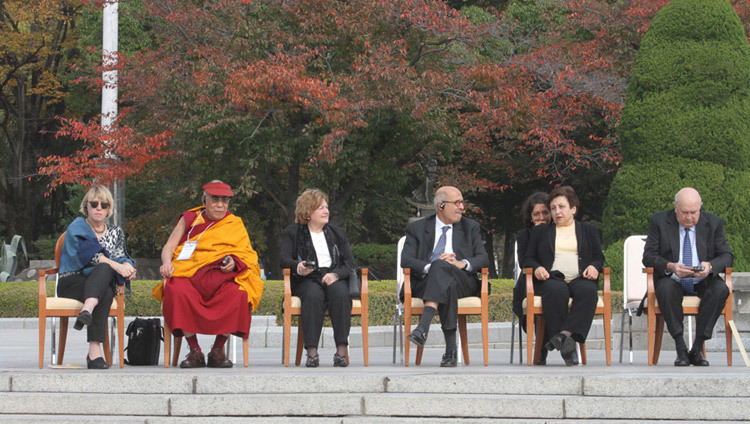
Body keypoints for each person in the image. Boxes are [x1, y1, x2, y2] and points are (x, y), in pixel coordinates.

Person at [157, 181, 263, 368]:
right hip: (188, 273)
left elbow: (247, 254)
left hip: (220, 276)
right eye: (215, 200)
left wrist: (233, 260)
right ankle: (195, 351)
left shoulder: (234, 223)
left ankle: (217, 350)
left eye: (225, 201)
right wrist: (166, 262)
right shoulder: (190, 218)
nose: (220, 205)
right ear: (204, 200)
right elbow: (169, 247)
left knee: (239, 293)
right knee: (176, 290)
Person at [642, 187, 732, 366]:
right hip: (672, 279)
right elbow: (648, 257)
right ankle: (681, 348)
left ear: (701, 207)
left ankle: (697, 348)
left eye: (694, 212)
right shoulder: (659, 221)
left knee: (721, 289)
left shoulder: (713, 222)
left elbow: (727, 256)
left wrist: (709, 266)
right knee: (666, 288)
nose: (689, 217)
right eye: (684, 212)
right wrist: (671, 266)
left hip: (702, 280)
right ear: (675, 207)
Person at [402, 186, 489, 367]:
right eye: (456, 203)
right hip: (426, 281)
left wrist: (461, 263)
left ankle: (423, 327)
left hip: (463, 280)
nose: (461, 207)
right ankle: (450, 352)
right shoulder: (417, 228)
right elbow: (406, 259)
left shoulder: (469, 227)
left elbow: (483, 258)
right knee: (443, 275)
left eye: (462, 202)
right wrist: (430, 267)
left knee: (444, 271)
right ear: (441, 205)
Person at [522, 186, 603, 366]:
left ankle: (562, 335)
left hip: (580, 277)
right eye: (553, 208)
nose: (557, 212)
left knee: (589, 291)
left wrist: (593, 266)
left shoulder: (588, 230)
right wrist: (536, 268)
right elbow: (528, 258)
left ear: (573, 209)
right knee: (554, 290)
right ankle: (568, 345)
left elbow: (599, 257)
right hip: (553, 278)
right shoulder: (541, 232)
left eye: (562, 207)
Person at [58, 185, 136, 369]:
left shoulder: (116, 232)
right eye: (94, 204)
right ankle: (94, 353)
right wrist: (117, 265)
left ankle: (87, 312)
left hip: (96, 283)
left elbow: (121, 256)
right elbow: (90, 255)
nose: (99, 207)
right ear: (86, 207)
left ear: (109, 208)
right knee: (105, 272)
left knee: (105, 279)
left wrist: (129, 266)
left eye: (104, 204)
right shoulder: (77, 227)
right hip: (72, 281)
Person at [280, 189, 356, 368]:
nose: (326, 211)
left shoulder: (337, 233)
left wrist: (335, 274)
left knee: (341, 294)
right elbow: (283, 259)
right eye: (321, 208)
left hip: (332, 276)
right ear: (307, 213)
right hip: (307, 279)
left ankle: (341, 352)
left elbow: (350, 264)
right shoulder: (294, 232)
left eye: (326, 207)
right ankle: (312, 352)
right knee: (313, 295)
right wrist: (298, 267)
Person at [512, 192, 551, 364]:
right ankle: (542, 345)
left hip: (553, 280)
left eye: (545, 213)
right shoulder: (524, 235)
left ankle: (544, 344)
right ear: (530, 216)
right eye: (537, 214)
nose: (541, 217)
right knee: (527, 296)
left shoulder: (559, 233)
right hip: (530, 280)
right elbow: (524, 262)